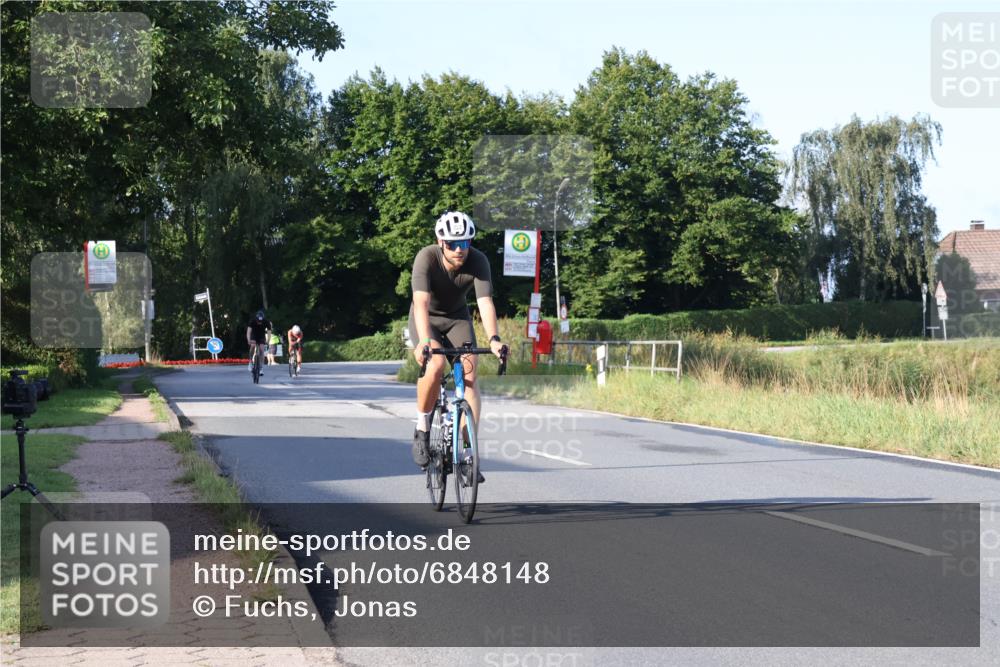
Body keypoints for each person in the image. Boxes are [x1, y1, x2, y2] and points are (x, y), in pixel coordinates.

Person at [409, 211, 505, 481]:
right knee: (436, 364)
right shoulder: (426, 258)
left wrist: (494, 340)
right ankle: (422, 428)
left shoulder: (478, 261)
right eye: (453, 244)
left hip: (457, 319)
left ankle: (467, 453)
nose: (460, 250)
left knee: (471, 374)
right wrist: (425, 342)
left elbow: (485, 303)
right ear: (441, 242)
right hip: (426, 318)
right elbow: (421, 303)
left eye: (465, 243)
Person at [246, 310, 272, 376]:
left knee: (262, 349)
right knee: (253, 345)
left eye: (261, 321)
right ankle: (250, 361)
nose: (259, 322)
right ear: (256, 318)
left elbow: (269, 332)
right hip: (254, 335)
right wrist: (249, 340)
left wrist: (268, 341)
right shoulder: (252, 321)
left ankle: (261, 367)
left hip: (261, 336)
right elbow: (248, 332)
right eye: (258, 321)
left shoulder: (266, 322)